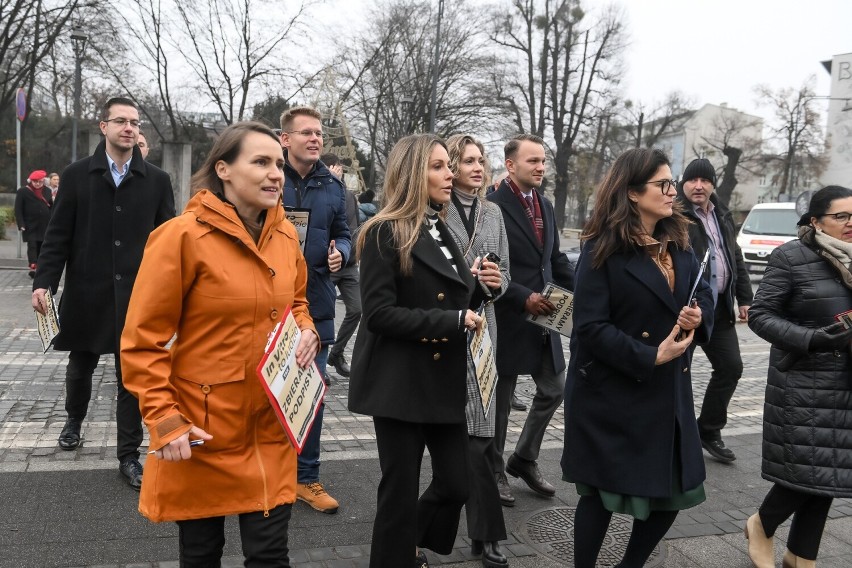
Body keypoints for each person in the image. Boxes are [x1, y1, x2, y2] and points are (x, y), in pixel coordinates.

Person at [120, 121, 318, 567]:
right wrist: (164, 419)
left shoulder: (286, 235)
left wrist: (307, 329)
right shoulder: (181, 237)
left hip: (271, 427)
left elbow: (299, 300)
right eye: (261, 162)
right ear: (224, 169)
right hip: (202, 430)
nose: (275, 174)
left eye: (280, 164)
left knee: (270, 556)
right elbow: (141, 341)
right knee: (202, 554)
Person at [562, 147, 713, 568]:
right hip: (614, 391)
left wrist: (697, 315)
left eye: (672, 182)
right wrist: (651, 354)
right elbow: (589, 328)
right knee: (602, 493)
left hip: (668, 393)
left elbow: (700, 293)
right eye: (662, 184)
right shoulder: (601, 251)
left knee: (671, 494)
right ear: (631, 193)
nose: (672, 192)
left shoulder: (681, 240)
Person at [349, 133, 485, 568]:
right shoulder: (383, 232)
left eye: (449, 165)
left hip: (439, 382)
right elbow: (379, 315)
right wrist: (452, 321)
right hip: (399, 383)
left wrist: (479, 291)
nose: (451, 174)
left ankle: (406, 543)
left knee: (457, 485)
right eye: (440, 166)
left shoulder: (438, 224)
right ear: (412, 173)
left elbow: (448, 299)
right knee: (399, 491)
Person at [32, 96, 175, 490]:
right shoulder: (78, 175)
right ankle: (74, 419)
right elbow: (57, 236)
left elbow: (169, 244)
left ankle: (128, 454)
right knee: (81, 366)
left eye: (135, 122)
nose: (129, 128)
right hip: (87, 292)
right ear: (104, 126)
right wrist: (43, 282)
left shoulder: (157, 181)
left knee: (132, 377)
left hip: (137, 297)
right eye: (121, 121)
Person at [744, 185, 852, 568]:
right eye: (841, 216)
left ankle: (801, 555)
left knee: (831, 473)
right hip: (804, 382)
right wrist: (812, 339)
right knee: (805, 471)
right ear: (815, 220)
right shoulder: (791, 256)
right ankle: (761, 524)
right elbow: (760, 315)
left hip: (846, 383)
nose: (850, 223)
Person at [486, 134, 574, 506]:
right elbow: (490, 265)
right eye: (533, 161)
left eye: (543, 161)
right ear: (511, 165)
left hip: (546, 319)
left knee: (555, 389)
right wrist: (524, 297)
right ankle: (493, 472)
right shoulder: (492, 207)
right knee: (500, 404)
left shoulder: (546, 205)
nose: (541, 167)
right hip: (508, 316)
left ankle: (523, 458)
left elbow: (554, 260)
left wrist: (581, 297)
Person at [279, 106, 351, 513]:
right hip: (269, 303)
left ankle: (306, 477)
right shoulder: (268, 177)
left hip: (318, 300)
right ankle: (265, 471)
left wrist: (341, 252)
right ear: (285, 139)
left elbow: (345, 234)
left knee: (312, 393)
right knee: (264, 392)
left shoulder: (333, 186)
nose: (315, 139)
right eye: (305, 132)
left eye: (319, 133)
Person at [444, 134, 511, 568]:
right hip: (444, 331)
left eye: (481, 159)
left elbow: (504, 271)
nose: (477, 166)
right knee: (453, 440)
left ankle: (485, 534)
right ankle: (425, 527)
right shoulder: (435, 212)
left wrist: (493, 279)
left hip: (484, 331)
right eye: (467, 160)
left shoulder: (494, 212)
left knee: (482, 439)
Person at [676, 158, 753, 463]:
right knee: (677, 374)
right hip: (685, 310)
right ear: (683, 184)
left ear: (712, 185)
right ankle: (676, 435)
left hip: (719, 309)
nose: (699, 186)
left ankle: (708, 430)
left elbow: (734, 255)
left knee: (731, 368)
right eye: (693, 180)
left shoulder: (722, 213)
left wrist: (744, 297)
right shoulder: (675, 213)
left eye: (705, 181)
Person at [321, 153, 362, 379]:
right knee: (324, 312)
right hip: (328, 261)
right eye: (336, 169)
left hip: (350, 262)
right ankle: (319, 362)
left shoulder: (348, 195)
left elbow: (353, 225)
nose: (340, 174)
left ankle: (336, 354)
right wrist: (330, 182)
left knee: (357, 309)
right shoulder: (322, 190)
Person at [15, 169, 53, 278]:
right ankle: (33, 266)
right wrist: (21, 223)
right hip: (29, 224)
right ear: (30, 181)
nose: (37, 184)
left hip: (44, 224)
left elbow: (52, 207)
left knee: (42, 246)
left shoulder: (47, 191)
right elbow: (18, 209)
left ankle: (40, 267)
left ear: (43, 181)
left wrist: (52, 221)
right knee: (32, 245)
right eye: (34, 181)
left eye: (39, 181)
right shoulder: (23, 191)